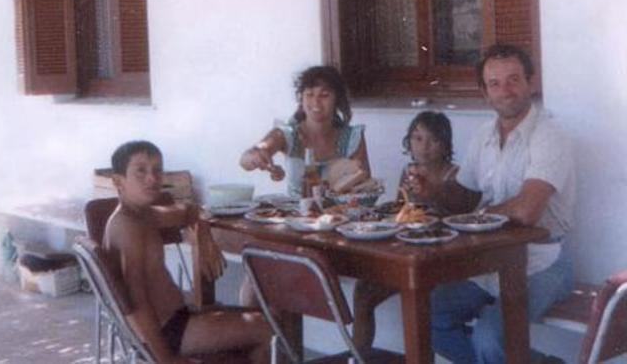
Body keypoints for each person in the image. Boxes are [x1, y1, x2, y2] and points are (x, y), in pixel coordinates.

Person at [408, 44, 575, 364]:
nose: (505, 91)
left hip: (544, 261)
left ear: (531, 83)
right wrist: (432, 191)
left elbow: (527, 211)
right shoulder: (484, 135)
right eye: (495, 84)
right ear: (485, 93)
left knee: (490, 337)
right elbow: (464, 197)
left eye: (514, 80)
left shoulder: (549, 135)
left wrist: (480, 215)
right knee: (428, 316)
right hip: (490, 261)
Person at [104, 140, 271, 364]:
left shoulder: (144, 214)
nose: (152, 178)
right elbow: (135, 300)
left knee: (262, 322)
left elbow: (191, 211)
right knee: (267, 330)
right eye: (140, 171)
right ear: (118, 181)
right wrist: (164, 359)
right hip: (165, 333)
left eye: (157, 170)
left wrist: (204, 238)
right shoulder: (127, 227)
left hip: (178, 320)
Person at [352, 111, 460, 356]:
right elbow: (400, 211)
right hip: (408, 252)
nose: (424, 147)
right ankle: (359, 357)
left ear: (445, 145)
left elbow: (454, 215)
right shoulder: (409, 171)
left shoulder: (454, 174)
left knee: (416, 298)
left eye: (433, 140)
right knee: (363, 290)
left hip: (440, 259)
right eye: (417, 138)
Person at [239, 65, 372, 197]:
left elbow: (365, 186)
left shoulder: (352, 137)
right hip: (294, 210)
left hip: (342, 210)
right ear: (301, 99)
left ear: (337, 99)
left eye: (324, 95)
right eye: (309, 94)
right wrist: (256, 157)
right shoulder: (287, 133)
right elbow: (246, 160)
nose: (316, 102)